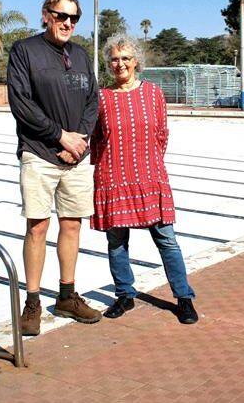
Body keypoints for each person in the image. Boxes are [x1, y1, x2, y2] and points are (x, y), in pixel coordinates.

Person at [7, 0, 102, 336]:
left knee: (72, 225)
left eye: (74, 18)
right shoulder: (24, 51)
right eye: (61, 16)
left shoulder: (79, 54)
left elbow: (93, 99)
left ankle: (66, 296)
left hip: (75, 156)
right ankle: (32, 302)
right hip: (39, 152)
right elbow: (21, 104)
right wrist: (60, 136)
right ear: (45, 15)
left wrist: (80, 140)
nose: (68, 23)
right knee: (37, 227)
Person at [90, 33, 198, 324]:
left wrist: (147, 164)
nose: (120, 63)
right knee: (116, 242)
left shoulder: (153, 93)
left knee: (167, 240)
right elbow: (97, 139)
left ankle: (184, 297)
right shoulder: (102, 97)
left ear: (136, 61)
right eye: (114, 58)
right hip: (112, 178)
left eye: (125, 58)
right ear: (108, 63)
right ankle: (124, 295)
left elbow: (162, 134)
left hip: (150, 177)